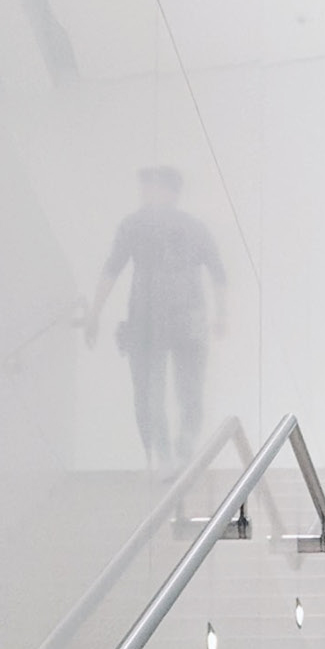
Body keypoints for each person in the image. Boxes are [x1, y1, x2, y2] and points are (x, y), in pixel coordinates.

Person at [86, 166, 227, 470]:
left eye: (152, 186)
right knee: (163, 391)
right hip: (163, 319)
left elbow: (218, 272)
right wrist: (94, 312)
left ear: (171, 193)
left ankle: (176, 452)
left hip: (163, 319)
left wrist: (222, 314)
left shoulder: (153, 226)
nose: (145, 193)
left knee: (173, 390)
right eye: (145, 187)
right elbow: (112, 268)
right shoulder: (140, 226)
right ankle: (169, 455)